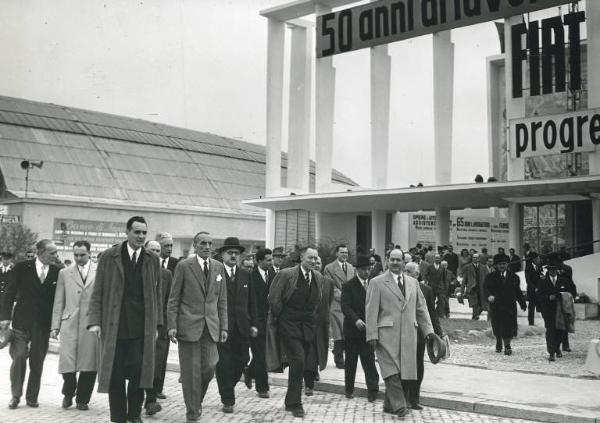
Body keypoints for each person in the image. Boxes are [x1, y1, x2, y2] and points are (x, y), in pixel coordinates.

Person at [87, 217, 161, 423]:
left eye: (144, 233)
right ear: (127, 232)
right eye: (137, 232)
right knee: (115, 373)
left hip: (141, 327)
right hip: (114, 325)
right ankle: (118, 416)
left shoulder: (152, 259)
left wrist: (157, 324)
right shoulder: (109, 257)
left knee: (139, 372)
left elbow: (158, 294)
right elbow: (98, 290)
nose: (141, 236)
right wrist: (95, 321)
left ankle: (135, 414)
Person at [166, 231, 228, 422]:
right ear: (195, 245)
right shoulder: (184, 266)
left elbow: (222, 300)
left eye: (210, 243)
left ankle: (196, 401)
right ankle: (192, 411)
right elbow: (173, 299)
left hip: (211, 327)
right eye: (203, 243)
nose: (207, 247)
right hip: (188, 326)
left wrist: (224, 326)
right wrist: (172, 325)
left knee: (209, 367)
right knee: (191, 371)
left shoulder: (218, 267)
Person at [365, 249, 434, 417]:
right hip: (386, 335)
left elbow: (421, 309)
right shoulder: (376, 282)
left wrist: (428, 331)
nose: (395, 263)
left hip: (409, 333)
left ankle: (389, 405)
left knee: (404, 372)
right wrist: (371, 334)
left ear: (404, 262)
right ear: (387, 261)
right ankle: (400, 406)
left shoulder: (413, 283)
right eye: (392, 260)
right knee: (391, 371)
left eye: (398, 260)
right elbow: (371, 310)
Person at [1, 240, 60, 409]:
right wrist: (5, 317)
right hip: (21, 321)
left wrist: (56, 325)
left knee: (37, 360)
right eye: (52, 253)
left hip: (43, 323)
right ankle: (15, 395)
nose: (56, 256)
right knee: (19, 356)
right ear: (40, 252)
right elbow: (10, 292)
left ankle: (32, 397)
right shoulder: (22, 267)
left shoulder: (57, 272)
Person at [267, 247, 323, 418]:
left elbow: (317, 301)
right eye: (310, 258)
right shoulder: (286, 274)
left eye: (315, 258)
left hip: (307, 325)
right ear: (301, 258)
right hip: (289, 324)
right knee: (298, 361)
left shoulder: (318, 277)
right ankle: (295, 403)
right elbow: (273, 298)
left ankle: (289, 400)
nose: (313, 261)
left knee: (302, 363)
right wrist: (282, 318)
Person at [50, 241, 99, 411]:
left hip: (92, 324)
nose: (78, 258)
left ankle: (83, 399)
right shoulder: (65, 273)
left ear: (90, 254)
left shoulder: (99, 271)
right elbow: (59, 299)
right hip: (69, 321)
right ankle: (68, 392)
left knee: (89, 363)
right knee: (67, 361)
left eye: (82, 255)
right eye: (75, 255)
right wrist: (55, 325)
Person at [215, 237, 258, 414]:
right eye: (230, 253)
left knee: (241, 361)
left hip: (242, 327)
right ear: (223, 255)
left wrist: (254, 324)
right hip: (222, 327)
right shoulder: (216, 274)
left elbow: (252, 303)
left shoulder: (246, 275)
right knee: (224, 363)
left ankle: (226, 386)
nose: (233, 256)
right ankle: (228, 399)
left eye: (236, 253)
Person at [402, 262, 444, 410]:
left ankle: (414, 398)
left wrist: (437, 332)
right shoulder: (400, 287)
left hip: (419, 334)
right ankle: (404, 398)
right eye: (405, 271)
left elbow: (432, 313)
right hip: (403, 333)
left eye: (409, 271)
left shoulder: (426, 290)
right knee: (404, 366)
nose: (405, 273)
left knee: (418, 366)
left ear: (417, 274)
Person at [340, 255, 379, 402]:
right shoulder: (348, 285)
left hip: (369, 331)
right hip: (352, 330)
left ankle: (373, 391)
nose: (367, 272)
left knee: (369, 361)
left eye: (369, 269)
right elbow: (345, 306)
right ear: (357, 270)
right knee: (351, 362)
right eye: (364, 269)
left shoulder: (374, 285)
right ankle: (349, 390)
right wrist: (356, 320)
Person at [142, 240, 173, 416]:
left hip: (160, 326)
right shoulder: (137, 272)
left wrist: (168, 326)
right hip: (140, 326)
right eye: (151, 250)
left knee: (156, 362)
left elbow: (170, 301)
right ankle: (140, 397)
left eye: (157, 250)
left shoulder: (166, 274)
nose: (155, 253)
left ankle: (151, 400)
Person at [245, 248, 275, 398]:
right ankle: (262, 387)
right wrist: (252, 324)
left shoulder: (275, 275)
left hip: (271, 323)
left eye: (271, 259)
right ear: (259, 261)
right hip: (256, 323)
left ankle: (249, 371)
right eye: (268, 260)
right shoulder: (250, 277)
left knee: (264, 354)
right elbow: (249, 303)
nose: (271, 262)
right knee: (260, 354)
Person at [484, 254, 526, 356]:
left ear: (507, 264)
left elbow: (518, 291)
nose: (502, 266)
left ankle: (507, 346)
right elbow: (486, 288)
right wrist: (489, 296)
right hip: (496, 306)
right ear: (496, 265)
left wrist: (522, 303)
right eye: (499, 264)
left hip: (509, 306)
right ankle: (498, 340)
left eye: (504, 264)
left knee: (509, 326)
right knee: (497, 325)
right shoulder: (490, 277)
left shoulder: (514, 277)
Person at [537, 256, 577, 361]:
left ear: (557, 269)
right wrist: (548, 297)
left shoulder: (564, 280)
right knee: (550, 330)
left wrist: (568, 297)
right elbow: (539, 296)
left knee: (561, 331)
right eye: (551, 269)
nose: (553, 271)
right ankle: (551, 353)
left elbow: (572, 291)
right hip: (548, 310)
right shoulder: (542, 282)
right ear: (548, 270)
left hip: (562, 310)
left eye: (554, 269)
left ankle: (557, 348)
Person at [323, 244, 355, 369]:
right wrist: (345, 297)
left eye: (346, 253)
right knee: (338, 334)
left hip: (350, 305)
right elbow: (330, 286)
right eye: (342, 252)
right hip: (336, 304)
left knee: (347, 333)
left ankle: (340, 355)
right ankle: (339, 359)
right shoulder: (329, 268)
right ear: (336, 254)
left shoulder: (352, 268)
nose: (344, 255)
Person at [308, 256, 334, 393]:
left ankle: (316, 368)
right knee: (310, 348)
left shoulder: (328, 282)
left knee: (320, 347)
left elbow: (328, 302)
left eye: (319, 263)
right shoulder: (308, 281)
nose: (316, 265)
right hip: (308, 322)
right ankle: (309, 376)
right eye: (314, 263)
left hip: (322, 321)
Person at [460, 253, 489, 320]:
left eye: (476, 257)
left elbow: (488, 278)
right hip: (472, 288)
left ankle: (475, 315)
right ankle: (476, 316)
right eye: (473, 257)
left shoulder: (484, 267)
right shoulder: (467, 267)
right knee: (474, 303)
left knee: (482, 305)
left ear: (479, 259)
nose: (475, 259)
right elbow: (464, 280)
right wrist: (462, 290)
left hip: (481, 288)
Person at [422, 254, 448, 318]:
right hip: (431, 286)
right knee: (431, 301)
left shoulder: (442, 268)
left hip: (440, 287)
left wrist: (445, 287)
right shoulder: (429, 267)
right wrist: (426, 282)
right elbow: (425, 275)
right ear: (434, 259)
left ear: (440, 259)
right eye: (436, 258)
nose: (437, 259)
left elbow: (444, 278)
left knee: (441, 301)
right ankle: (431, 314)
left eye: (439, 258)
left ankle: (441, 314)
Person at [524, 252, 542, 326]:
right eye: (538, 258)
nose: (539, 260)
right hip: (532, 290)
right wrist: (535, 288)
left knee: (542, 306)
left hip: (539, 291)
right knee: (531, 307)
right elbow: (528, 281)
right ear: (534, 259)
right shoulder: (528, 268)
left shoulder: (539, 267)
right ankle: (531, 323)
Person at [0, 252, 14, 317]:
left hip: (9, 298)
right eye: (4, 259)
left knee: (6, 317)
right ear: (1, 259)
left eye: (7, 259)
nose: (5, 261)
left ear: (10, 259)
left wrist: (15, 298)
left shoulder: (14, 269)